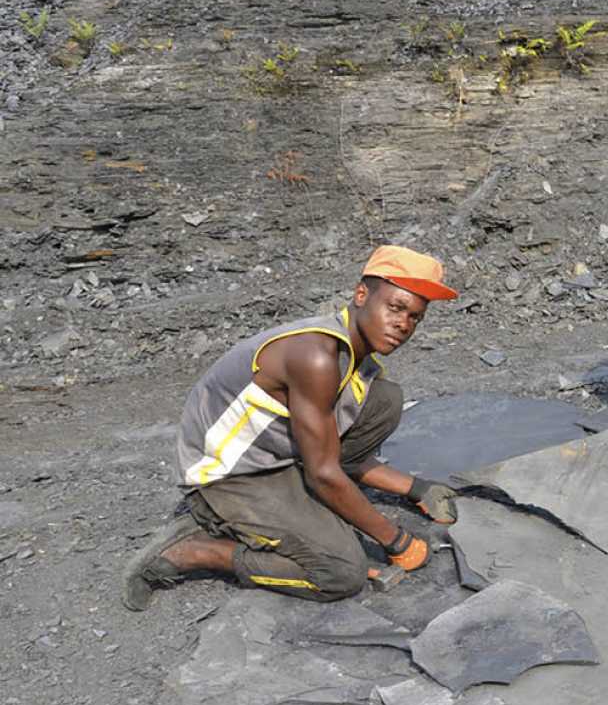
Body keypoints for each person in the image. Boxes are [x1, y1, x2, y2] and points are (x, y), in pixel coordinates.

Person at [121, 245, 462, 610]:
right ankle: (194, 548)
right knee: (340, 572)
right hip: (229, 473)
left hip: (276, 455)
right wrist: (396, 541)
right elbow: (324, 472)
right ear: (361, 295)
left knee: (383, 399)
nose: (403, 325)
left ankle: (300, 510)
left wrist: (416, 488)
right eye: (395, 307)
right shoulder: (315, 356)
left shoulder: (356, 360)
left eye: (415, 317)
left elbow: (333, 455)